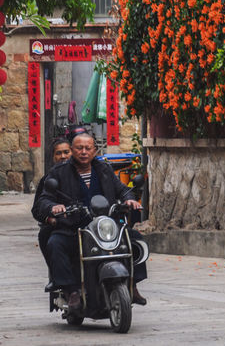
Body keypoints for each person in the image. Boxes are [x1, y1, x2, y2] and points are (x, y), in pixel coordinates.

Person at [37, 131, 147, 312]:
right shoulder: (59, 172)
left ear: (95, 151)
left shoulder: (104, 169)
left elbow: (122, 189)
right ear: (72, 150)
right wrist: (53, 207)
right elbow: (44, 200)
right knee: (55, 243)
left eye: (88, 148)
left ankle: (133, 285)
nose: (84, 152)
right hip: (74, 228)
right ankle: (71, 291)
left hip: (104, 226)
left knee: (135, 238)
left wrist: (130, 199)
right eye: (79, 148)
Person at [31, 137, 72, 257]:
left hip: (81, 224)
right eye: (58, 153)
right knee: (47, 237)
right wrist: (50, 219)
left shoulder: (83, 174)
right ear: (53, 157)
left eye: (66, 152)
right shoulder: (48, 179)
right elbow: (36, 210)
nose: (63, 156)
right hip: (59, 225)